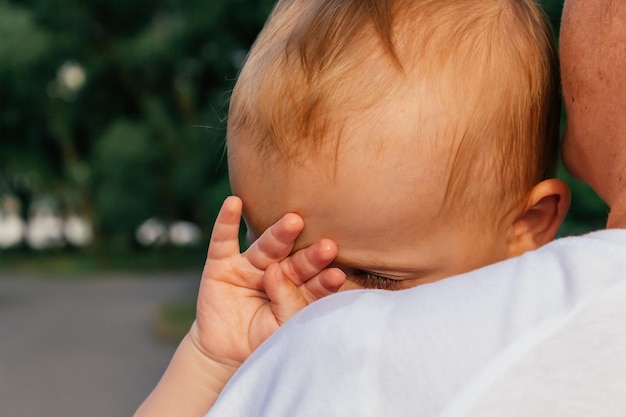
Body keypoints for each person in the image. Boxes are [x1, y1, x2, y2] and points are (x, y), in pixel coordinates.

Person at [134, 0, 569, 415]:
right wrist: (211, 361)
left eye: (374, 278)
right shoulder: (268, 359)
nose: (303, 295)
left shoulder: (544, 366)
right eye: (269, 251)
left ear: (526, 226)